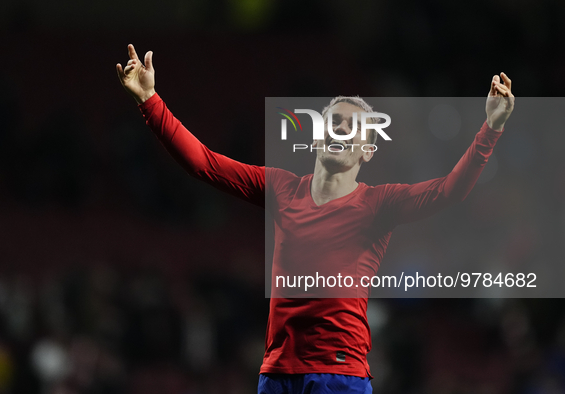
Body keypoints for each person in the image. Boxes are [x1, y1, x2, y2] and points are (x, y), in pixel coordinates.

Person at [116, 44, 514, 394]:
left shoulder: (378, 204)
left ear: (367, 151)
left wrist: (491, 127)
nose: (342, 130)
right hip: (276, 374)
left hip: (338, 374)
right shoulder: (281, 187)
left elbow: (449, 190)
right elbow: (204, 163)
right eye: (335, 123)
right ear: (318, 137)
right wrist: (150, 100)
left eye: (354, 127)